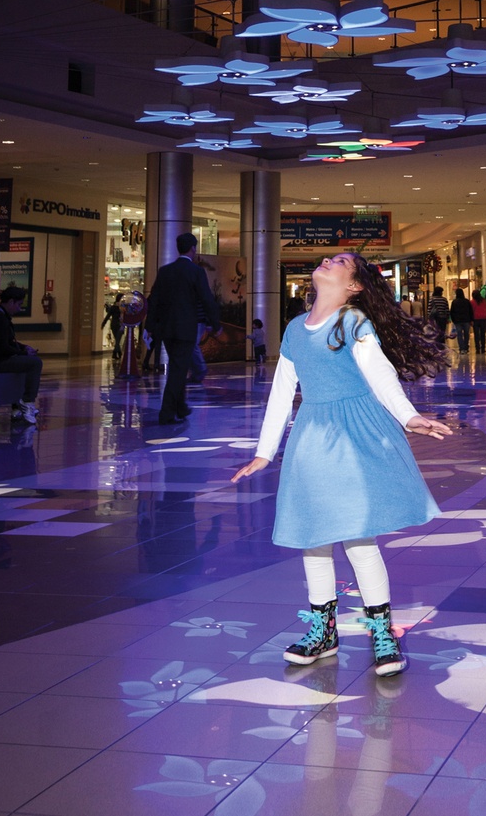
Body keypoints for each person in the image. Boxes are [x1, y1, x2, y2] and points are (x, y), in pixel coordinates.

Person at [232, 251, 452, 678]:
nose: (329, 261)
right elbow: (282, 393)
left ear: (354, 286)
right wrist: (265, 451)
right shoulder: (295, 329)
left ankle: (382, 630)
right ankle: (323, 630)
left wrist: (409, 416)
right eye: (329, 258)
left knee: (357, 536)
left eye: (340, 261)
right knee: (313, 535)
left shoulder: (353, 322)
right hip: (312, 436)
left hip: (355, 435)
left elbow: (381, 375)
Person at [145, 232, 221, 426]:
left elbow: (154, 300)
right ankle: (167, 413)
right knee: (178, 371)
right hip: (186, 329)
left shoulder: (165, 271)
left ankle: (181, 407)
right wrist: (216, 324)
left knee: (178, 367)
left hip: (167, 330)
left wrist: (150, 326)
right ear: (193, 249)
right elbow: (206, 299)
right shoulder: (196, 272)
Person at [0, 285, 42, 424]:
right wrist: (23, 352)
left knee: (25, 363)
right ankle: (27, 401)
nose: (19, 309)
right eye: (19, 305)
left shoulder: (0, 316)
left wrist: (24, 348)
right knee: (35, 363)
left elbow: (8, 342)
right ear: (11, 301)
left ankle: (17, 405)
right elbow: (4, 347)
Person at [449, 286, 473, 352]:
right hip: (466, 320)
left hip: (457, 321)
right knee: (466, 334)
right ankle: (466, 347)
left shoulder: (454, 302)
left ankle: (461, 348)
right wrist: (471, 319)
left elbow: (452, 312)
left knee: (459, 334)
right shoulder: (467, 301)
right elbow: (470, 311)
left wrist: (453, 320)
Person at [471, 286, 486, 355]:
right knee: (482, 334)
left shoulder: (472, 302)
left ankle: (477, 348)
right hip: (483, 318)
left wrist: (471, 320)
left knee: (476, 335)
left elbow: (471, 311)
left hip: (475, 319)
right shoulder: (484, 301)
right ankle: (483, 348)